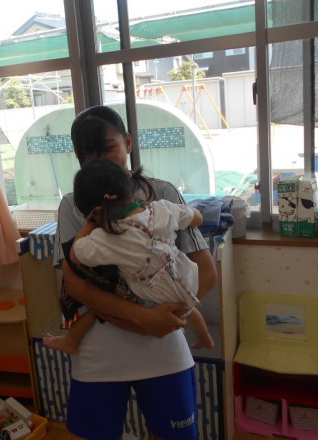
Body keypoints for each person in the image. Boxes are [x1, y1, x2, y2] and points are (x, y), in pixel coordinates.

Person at [53, 105, 218, 440]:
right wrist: (142, 318)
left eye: (106, 149)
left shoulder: (162, 194)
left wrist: (169, 317)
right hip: (99, 351)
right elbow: (75, 285)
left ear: (128, 142)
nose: (97, 161)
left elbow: (207, 273)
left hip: (164, 345)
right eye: (87, 155)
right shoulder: (74, 203)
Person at [44, 158, 214, 355]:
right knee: (189, 308)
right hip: (187, 285)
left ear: (96, 212)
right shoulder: (162, 208)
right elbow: (197, 218)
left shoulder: (107, 237)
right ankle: (205, 337)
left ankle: (71, 340)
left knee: (98, 309)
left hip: (153, 297)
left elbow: (74, 255)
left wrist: (90, 224)